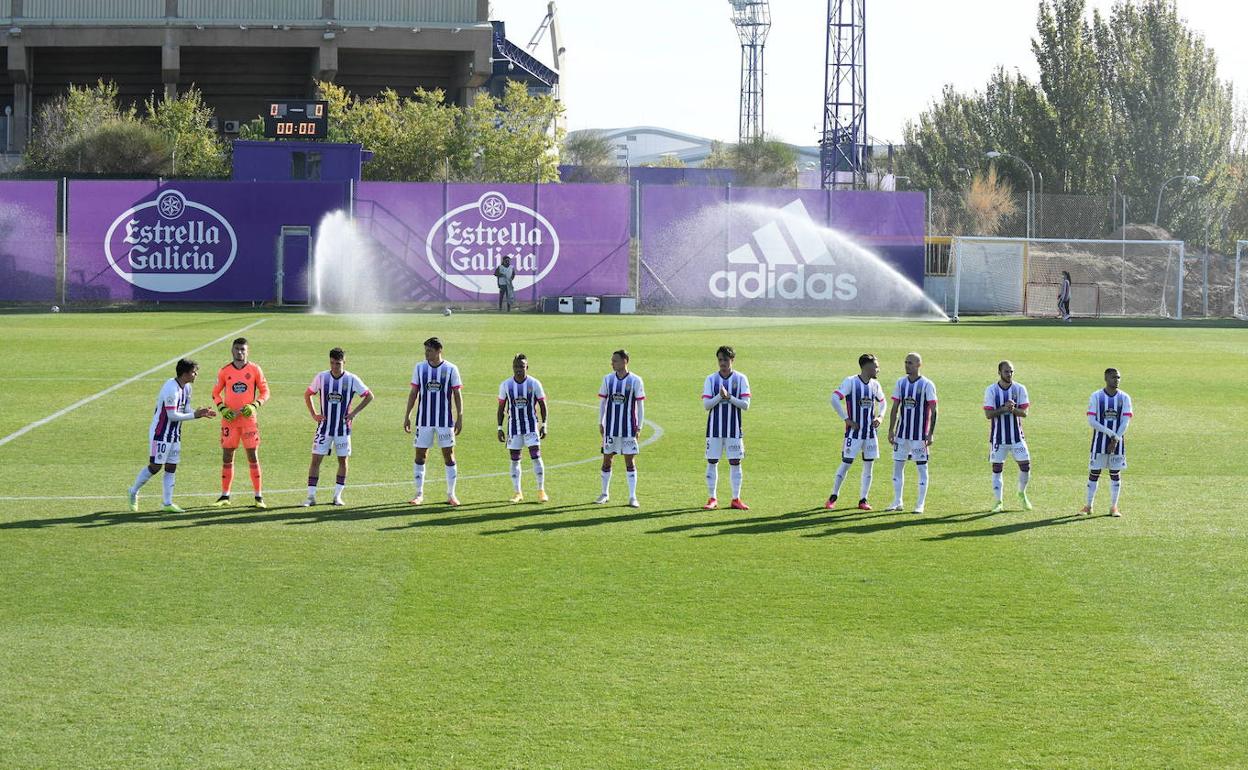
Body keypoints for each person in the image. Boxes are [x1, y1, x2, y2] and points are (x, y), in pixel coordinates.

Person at [127, 358, 216, 513]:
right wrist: (194, 415)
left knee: (171, 467)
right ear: (185, 373)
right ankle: (133, 491)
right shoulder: (171, 388)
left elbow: (185, 409)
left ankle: (167, 503)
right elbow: (172, 415)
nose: (196, 375)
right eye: (194, 372)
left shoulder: (187, 388)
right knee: (155, 467)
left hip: (175, 434)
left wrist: (199, 413)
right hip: (161, 432)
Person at [302, 347, 374, 507]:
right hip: (324, 428)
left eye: (338, 364)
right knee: (315, 460)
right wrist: (314, 414)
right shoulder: (322, 377)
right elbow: (308, 394)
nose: (335, 367)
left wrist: (354, 413)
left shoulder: (351, 379)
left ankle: (337, 496)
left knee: (343, 461)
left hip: (343, 429)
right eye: (332, 363)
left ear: (344, 362)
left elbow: (369, 396)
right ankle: (311, 497)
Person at [403, 336, 464, 506]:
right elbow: (413, 393)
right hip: (424, 421)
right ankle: (418, 494)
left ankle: (451, 495)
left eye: (429, 350)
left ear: (439, 350)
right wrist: (407, 415)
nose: (426, 354)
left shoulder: (451, 369)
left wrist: (460, 417)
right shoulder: (420, 368)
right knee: (420, 455)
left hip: (445, 421)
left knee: (449, 455)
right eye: (425, 350)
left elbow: (457, 394)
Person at [211, 337, 270, 508]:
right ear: (232, 350)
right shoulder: (224, 371)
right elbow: (215, 393)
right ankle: (225, 496)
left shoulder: (255, 369)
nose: (239, 352)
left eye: (243, 349)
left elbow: (265, 392)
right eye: (237, 349)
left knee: (252, 455)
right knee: (227, 456)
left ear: (247, 351)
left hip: (248, 421)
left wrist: (254, 405)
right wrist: (222, 408)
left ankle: (258, 497)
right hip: (229, 421)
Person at [827, 353, 886, 511]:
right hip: (854, 434)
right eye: (876, 366)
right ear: (866, 367)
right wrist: (846, 419)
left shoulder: (875, 385)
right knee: (846, 464)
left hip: (870, 434)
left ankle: (863, 499)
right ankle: (833, 496)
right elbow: (834, 398)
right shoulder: (851, 382)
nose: (878, 369)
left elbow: (883, 402)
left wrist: (880, 417)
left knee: (869, 466)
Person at [885, 352, 938, 514]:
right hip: (901, 434)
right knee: (897, 467)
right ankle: (897, 501)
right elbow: (895, 408)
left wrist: (930, 433)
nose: (907, 365)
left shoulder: (927, 384)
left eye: (910, 363)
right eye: (906, 362)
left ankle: (920, 504)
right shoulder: (901, 383)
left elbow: (934, 410)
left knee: (922, 468)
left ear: (919, 365)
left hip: (919, 436)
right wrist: (891, 430)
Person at [701, 345, 751, 511]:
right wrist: (719, 396)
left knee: (735, 462)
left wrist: (729, 397)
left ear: (732, 360)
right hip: (714, 429)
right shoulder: (711, 379)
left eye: (726, 360)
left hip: (733, 429)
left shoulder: (741, 379)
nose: (722, 363)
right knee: (712, 461)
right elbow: (706, 405)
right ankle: (712, 498)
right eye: (720, 360)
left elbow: (746, 405)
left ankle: (736, 499)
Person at [497, 353, 549, 503]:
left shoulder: (534, 383)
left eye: (521, 366)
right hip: (513, 428)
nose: (518, 369)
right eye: (516, 366)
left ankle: (541, 490)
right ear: (512, 367)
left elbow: (543, 405)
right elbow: (501, 407)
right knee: (514, 460)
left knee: (536, 457)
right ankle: (517, 492)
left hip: (531, 426)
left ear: (527, 367)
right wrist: (499, 427)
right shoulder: (506, 385)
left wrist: (544, 425)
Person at [1081, 367, 1133, 517]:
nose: (1116, 380)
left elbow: (1125, 422)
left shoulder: (1124, 397)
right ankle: (1088, 506)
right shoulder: (1096, 396)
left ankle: (1114, 507)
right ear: (1106, 378)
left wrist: (1115, 439)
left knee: (1115, 473)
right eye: (1113, 377)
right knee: (1094, 473)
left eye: (1118, 377)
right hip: (1099, 442)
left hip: (1117, 443)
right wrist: (1111, 434)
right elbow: (1092, 421)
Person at [597, 349, 645, 508]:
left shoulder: (636, 380)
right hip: (611, 428)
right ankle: (604, 494)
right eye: (612, 360)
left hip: (628, 428)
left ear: (625, 361)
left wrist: (639, 427)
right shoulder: (608, 379)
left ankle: (632, 497)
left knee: (630, 461)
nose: (612, 363)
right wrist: (600, 422)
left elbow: (640, 406)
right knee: (607, 459)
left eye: (615, 360)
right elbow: (603, 403)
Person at [984, 360, 1032, 513]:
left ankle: (1021, 493)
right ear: (999, 372)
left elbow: (1024, 413)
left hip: (1017, 437)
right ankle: (998, 502)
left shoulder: (1020, 388)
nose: (1009, 374)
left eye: (1011, 371)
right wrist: (1004, 408)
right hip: (998, 438)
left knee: (1026, 466)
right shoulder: (991, 390)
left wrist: (1013, 409)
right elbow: (988, 414)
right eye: (1006, 371)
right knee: (997, 469)